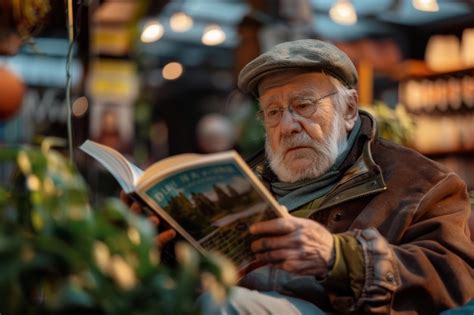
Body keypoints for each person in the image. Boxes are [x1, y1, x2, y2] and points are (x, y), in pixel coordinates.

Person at [122, 39, 474, 314]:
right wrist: (164, 251)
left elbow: (456, 279)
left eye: (304, 105)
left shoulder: (422, 183)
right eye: (273, 112)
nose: (288, 126)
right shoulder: (248, 179)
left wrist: (339, 257)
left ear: (349, 109)